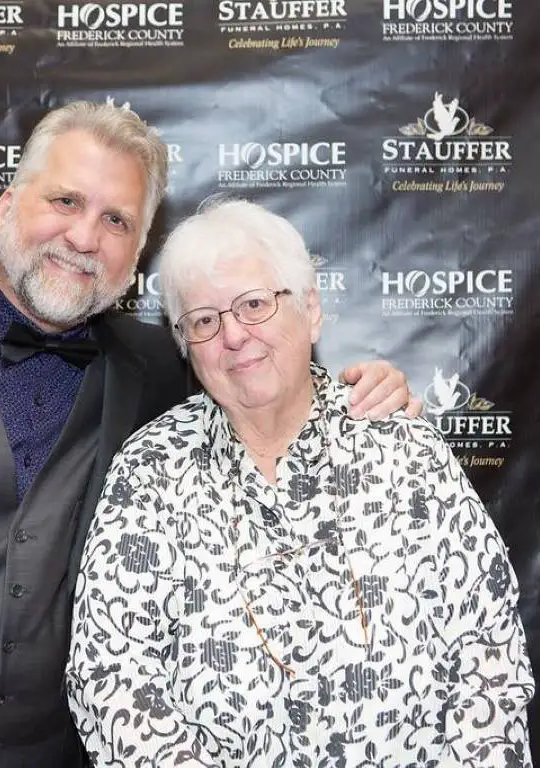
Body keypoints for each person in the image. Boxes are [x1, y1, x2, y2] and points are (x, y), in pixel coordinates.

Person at [0, 102, 416, 768]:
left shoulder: (168, 371)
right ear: (6, 208)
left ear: (137, 253)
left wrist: (361, 398)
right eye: (65, 200)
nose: (84, 237)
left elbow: (265, 388)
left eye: (116, 220)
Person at [66, 199, 534, 768]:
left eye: (255, 304)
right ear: (185, 344)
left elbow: (487, 651)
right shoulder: (150, 469)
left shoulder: (403, 448)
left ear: (310, 309)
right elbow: (111, 676)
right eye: (205, 320)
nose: (233, 335)